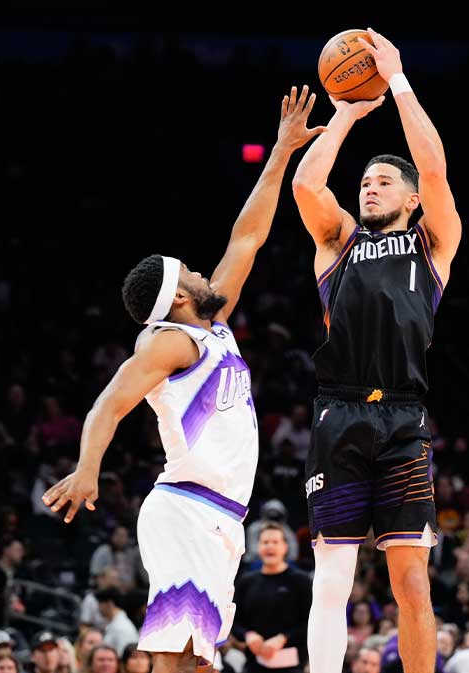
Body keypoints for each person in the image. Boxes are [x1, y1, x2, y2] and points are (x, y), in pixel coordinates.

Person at [42, 85, 325, 672]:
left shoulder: (212, 324)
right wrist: (88, 467)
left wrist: (281, 151)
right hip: (186, 509)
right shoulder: (168, 341)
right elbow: (109, 402)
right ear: (177, 296)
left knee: (199, 662)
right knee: (173, 655)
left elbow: (247, 237)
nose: (203, 271)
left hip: (224, 518)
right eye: (192, 271)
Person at [290, 28, 462, 673]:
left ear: (412, 199)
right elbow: (309, 187)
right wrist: (343, 116)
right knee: (332, 575)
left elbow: (436, 168)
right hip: (338, 413)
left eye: (384, 180)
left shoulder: (432, 244)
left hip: (404, 417)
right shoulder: (338, 241)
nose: (370, 185)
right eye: (365, 179)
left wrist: (397, 82)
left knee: (411, 583)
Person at [234, 522, 314, 673]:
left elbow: (310, 622)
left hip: (292, 666)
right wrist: (248, 635)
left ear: (285, 546)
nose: (270, 546)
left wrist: (284, 637)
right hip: (254, 665)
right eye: (265, 542)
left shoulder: (301, 581)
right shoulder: (246, 581)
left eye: (275, 542)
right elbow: (235, 622)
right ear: (258, 547)